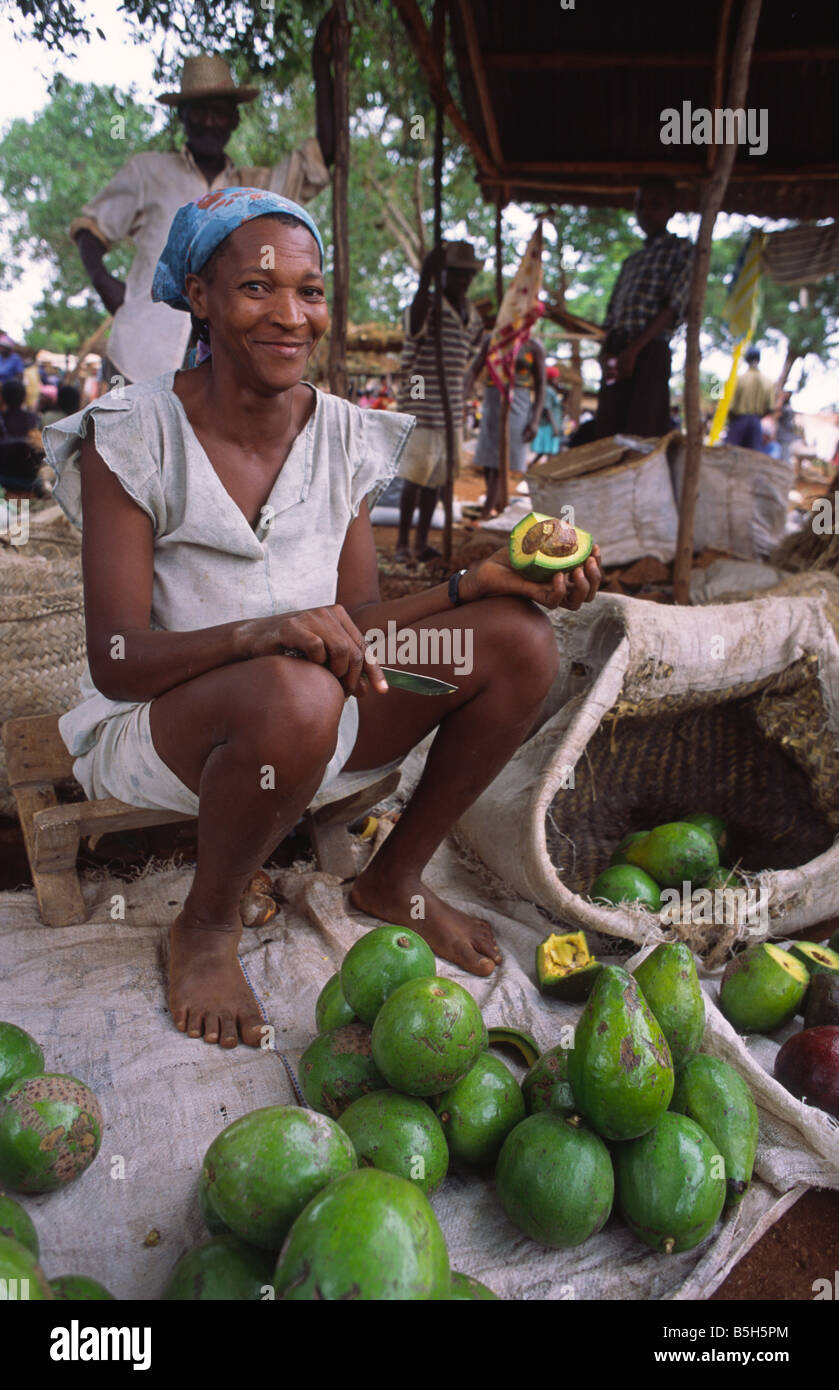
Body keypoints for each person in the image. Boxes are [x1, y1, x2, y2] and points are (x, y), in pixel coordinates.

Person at [44, 189, 602, 1049]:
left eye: (308, 292)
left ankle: (394, 879)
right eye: (256, 288)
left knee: (518, 642)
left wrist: (476, 584)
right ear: (200, 296)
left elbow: (360, 622)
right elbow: (118, 662)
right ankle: (206, 924)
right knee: (296, 691)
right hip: (167, 734)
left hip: (315, 716)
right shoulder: (132, 434)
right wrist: (262, 632)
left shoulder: (342, 434)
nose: (290, 315)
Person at [72, 36, 335, 387]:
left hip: (220, 370)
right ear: (182, 116)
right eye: (199, 110)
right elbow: (90, 228)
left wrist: (322, 64)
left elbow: (322, 156)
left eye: (220, 111)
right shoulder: (147, 171)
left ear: (234, 120)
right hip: (141, 353)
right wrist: (105, 284)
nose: (210, 121)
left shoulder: (253, 190)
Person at [394, 241, 485, 564]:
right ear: (442, 274)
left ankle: (421, 544)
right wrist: (424, 280)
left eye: (466, 275)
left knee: (436, 480)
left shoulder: (471, 315)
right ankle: (402, 544)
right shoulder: (429, 304)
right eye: (455, 273)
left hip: (451, 412)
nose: (462, 280)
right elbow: (414, 327)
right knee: (415, 478)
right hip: (421, 404)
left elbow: (473, 352)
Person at [592, 177, 693, 441]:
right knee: (607, 436)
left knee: (643, 436)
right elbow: (611, 317)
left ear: (672, 209)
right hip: (617, 353)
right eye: (640, 206)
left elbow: (674, 306)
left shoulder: (681, 249)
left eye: (655, 204)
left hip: (650, 352)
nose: (646, 212)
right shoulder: (632, 262)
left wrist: (634, 351)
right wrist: (606, 354)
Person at [467, 338, 546, 520]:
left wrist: (534, 420)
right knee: (489, 460)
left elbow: (541, 384)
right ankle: (493, 506)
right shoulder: (493, 340)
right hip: (492, 400)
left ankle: (487, 511)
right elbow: (473, 370)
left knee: (500, 460)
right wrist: (462, 397)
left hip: (517, 401)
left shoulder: (533, 346)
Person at [726, 348, 777, 451]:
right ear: (759, 360)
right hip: (756, 423)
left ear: (747, 360)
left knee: (731, 452)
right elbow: (771, 408)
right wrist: (757, 417)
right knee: (754, 455)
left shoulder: (738, 380)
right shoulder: (768, 382)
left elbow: (730, 406)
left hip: (738, 421)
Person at [530, 364, 564, 464]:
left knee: (546, 451)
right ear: (550, 379)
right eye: (555, 378)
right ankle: (548, 469)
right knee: (549, 451)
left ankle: (531, 466)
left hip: (550, 425)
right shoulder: (548, 391)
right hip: (548, 426)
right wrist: (554, 426)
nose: (557, 380)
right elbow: (547, 409)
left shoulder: (551, 391)